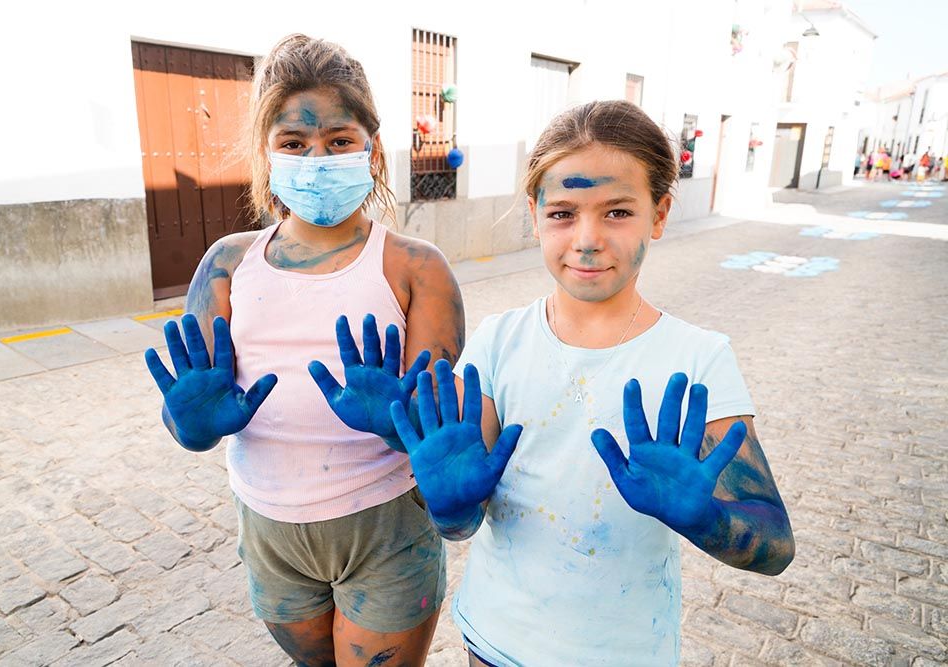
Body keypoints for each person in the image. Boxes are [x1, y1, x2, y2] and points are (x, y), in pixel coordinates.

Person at [323, 100, 796, 666]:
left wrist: (707, 518)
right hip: (495, 641)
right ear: (535, 213)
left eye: (618, 212)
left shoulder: (697, 360)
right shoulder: (499, 342)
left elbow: (775, 545)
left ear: (661, 213)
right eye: (564, 213)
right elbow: (462, 519)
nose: (588, 238)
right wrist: (448, 506)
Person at [144, 34, 465, 667]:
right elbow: (196, 408)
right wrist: (188, 427)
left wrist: (399, 424)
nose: (316, 159)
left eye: (339, 141)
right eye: (294, 144)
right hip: (268, 533)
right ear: (266, 158)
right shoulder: (227, 265)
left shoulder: (417, 267)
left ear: (372, 153)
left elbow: (440, 428)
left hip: (385, 525)